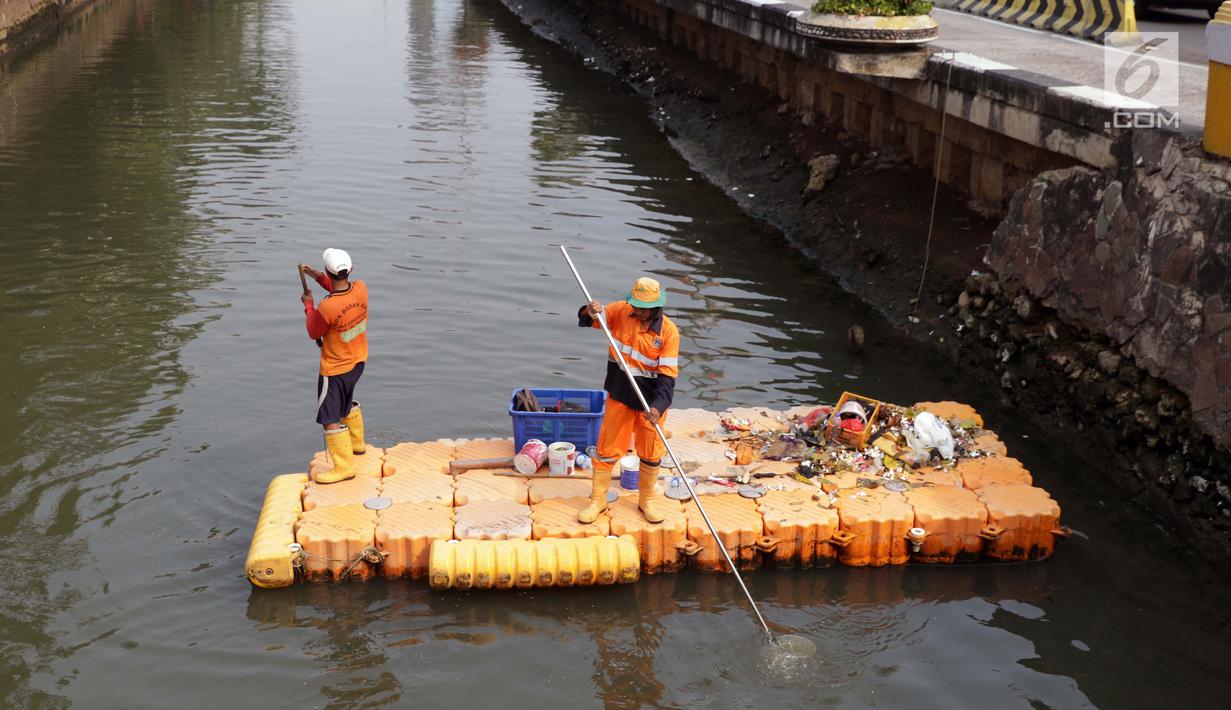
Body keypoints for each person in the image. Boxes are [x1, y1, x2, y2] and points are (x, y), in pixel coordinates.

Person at [576, 277, 679, 524]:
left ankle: (646, 501)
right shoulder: (621, 311)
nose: (638, 311)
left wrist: (658, 407)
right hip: (620, 394)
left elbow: (668, 378)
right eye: (636, 305)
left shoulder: (668, 332)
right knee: (606, 450)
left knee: (651, 451)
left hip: (649, 403)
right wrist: (588, 310)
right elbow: (586, 320)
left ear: (656, 307)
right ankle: (598, 500)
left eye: (644, 308)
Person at [299, 248, 369, 484]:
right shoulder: (361, 288)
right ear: (351, 270)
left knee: (330, 415)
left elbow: (313, 331)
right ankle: (357, 445)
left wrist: (309, 305)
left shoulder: (326, 307)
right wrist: (317, 276)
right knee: (346, 402)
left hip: (335, 367)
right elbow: (337, 288)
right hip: (358, 361)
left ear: (330, 271)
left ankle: (344, 467)